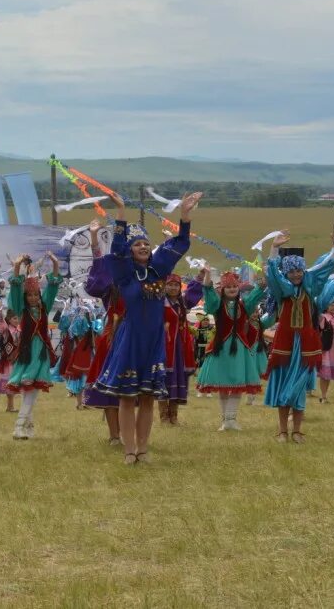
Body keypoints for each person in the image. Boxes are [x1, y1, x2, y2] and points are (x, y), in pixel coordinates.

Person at [93, 190, 202, 465]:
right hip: (131, 340)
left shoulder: (159, 269)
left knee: (148, 397)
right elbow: (115, 251)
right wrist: (120, 214)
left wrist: (185, 217)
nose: (142, 247)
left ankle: (143, 448)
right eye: (137, 244)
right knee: (127, 398)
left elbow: (179, 244)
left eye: (145, 243)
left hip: (153, 340)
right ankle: (129, 450)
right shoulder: (124, 273)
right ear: (130, 250)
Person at [263, 229, 334, 443]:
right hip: (286, 344)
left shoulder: (311, 288)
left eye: (299, 271)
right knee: (283, 384)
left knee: (299, 388)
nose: (296, 275)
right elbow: (272, 275)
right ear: (286, 273)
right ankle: (283, 431)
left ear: (304, 271)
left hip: (307, 344)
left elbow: (323, 268)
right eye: (292, 272)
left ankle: (297, 430)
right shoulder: (282, 290)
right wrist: (274, 248)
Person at [195, 271, 267, 430]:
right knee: (223, 384)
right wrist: (207, 276)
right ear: (223, 289)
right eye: (228, 287)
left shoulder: (245, 305)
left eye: (235, 286)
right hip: (221, 348)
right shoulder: (217, 305)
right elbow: (208, 291)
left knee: (237, 382)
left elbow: (258, 291)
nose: (232, 289)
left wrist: (265, 274)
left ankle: (231, 418)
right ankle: (225, 420)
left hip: (239, 349)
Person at [6, 252, 62, 439]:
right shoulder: (21, 309)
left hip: (41, 353)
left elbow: (53, 286)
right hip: (27, 352)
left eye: (35, 294)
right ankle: (19, 426)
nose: (32, 298)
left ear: (39, 294)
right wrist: (16, 267)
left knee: (32, 390)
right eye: (28, 295)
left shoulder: (45, 306)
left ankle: (27, 427)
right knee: (29, 389)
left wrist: (55, 264)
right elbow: (14, 289)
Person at [83, 220, 123, 446]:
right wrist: (94, 237)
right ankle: (114, 435)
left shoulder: (141, 275)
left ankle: (129, 432)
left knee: (133, 388)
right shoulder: (109, 282)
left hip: (136, 335)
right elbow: (98, 271)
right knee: (109, 386)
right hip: (112, 335)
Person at [156, 272, 204, 426]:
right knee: (164, 379)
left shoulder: (183, 303)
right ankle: (163, 417)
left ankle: (174, 416)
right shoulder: (159, 303)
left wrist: (199, 277)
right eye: (169, 284)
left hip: (180, 348)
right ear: (164, 286)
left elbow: (192, 293)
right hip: (164, 346)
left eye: (176, 285)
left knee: (178, 378)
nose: (172, 287)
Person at [0, 310, 20, 413]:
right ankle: (10, 406)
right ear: (8, 319)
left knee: (13, 382)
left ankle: (10, 406)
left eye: (17, 318)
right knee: (10, 382)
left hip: (17, 360)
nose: (17, 320)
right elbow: (1, 322)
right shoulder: (6, 329)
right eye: (14, 318)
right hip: (8, 361)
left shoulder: (18, 330)